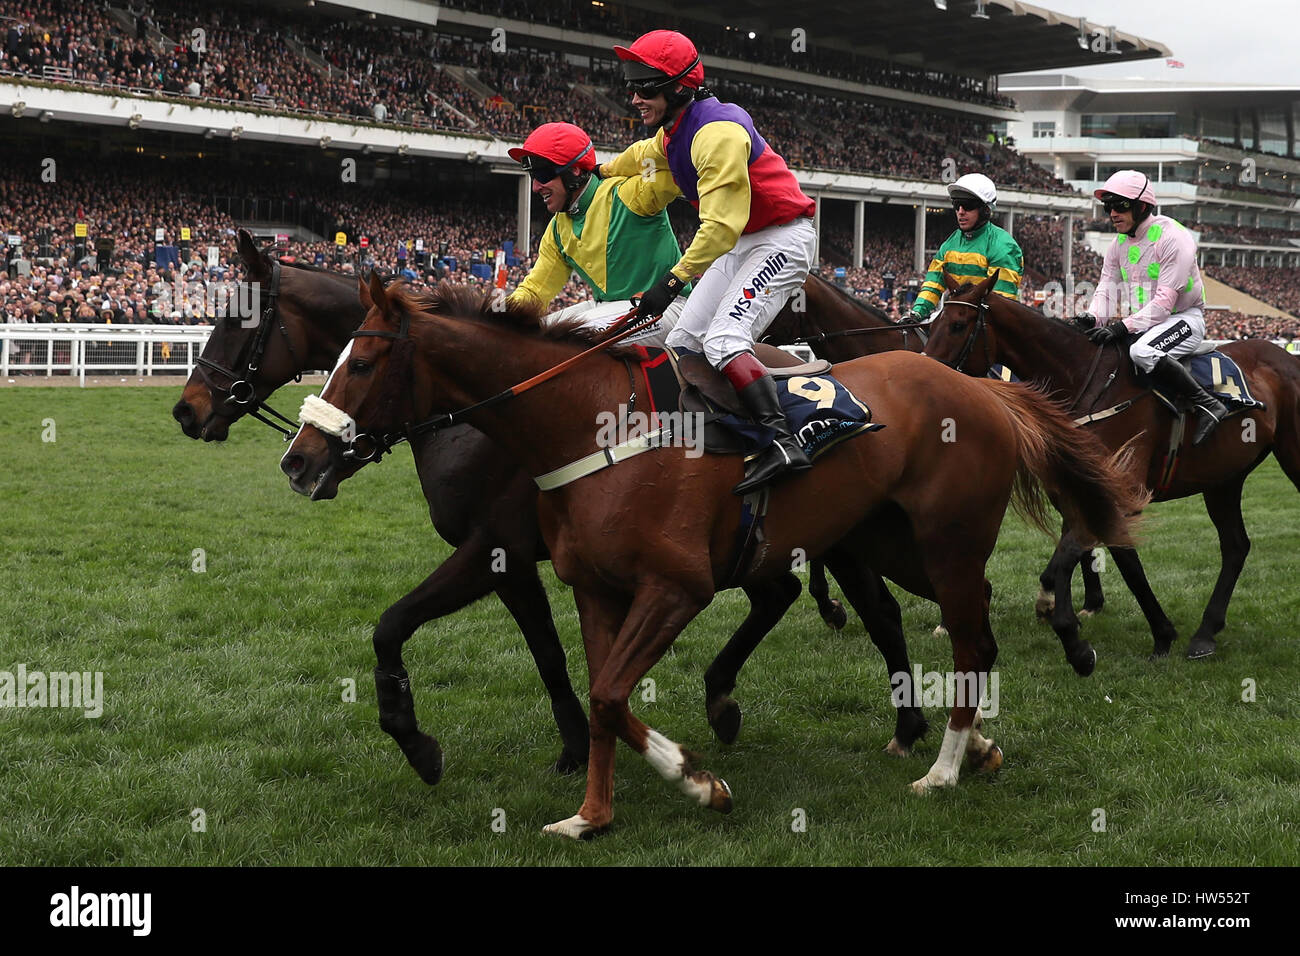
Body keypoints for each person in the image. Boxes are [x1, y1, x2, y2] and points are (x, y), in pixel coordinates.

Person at [597, 30, 818, 494]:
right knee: (684, 339)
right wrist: (598, 169)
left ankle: (782, 442)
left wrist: (673, 281)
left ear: (679, 87)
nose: (634, 96)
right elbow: (643, 156)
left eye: (645, 87)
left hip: (780, 238)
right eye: (630, 86)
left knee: (722, 339)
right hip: (745, 240)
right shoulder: (675, 129)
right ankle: (730, 431)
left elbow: (719, 227)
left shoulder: (715, 133)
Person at [1077, 170, 1226, 446]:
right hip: (1147, 323)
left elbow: (1163, 305)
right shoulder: (1117, 244)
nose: (1112, 213)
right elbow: (1106, 288)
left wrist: (1121, 326)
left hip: (1183, 319)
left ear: (1142, 206)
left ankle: (1208, 404)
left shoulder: (1174, 238)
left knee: (1141, 351)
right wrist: (1092, 318)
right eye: (1108, 206)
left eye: (1120, 206)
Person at [507, 121, 686, 347]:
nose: (535, 187)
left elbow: (664, 159)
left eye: (542, 174)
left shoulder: (630, 194)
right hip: (606, 309)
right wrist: (493, 315)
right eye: (532, 175)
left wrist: (615, 168)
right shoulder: (557, 229)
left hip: (665, 309)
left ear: (574, 170)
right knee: (523, 339)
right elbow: (534, 291)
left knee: (561, 343)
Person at [908, 173, 1023, 321]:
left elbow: (999, 304)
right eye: (956, 205)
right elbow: (933, 284)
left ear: (985, 210)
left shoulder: (1004, 246)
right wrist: (917, 313)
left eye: (968, 206)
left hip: (987, 325)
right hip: (957, 318)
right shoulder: (950, 243)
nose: (960, 212)